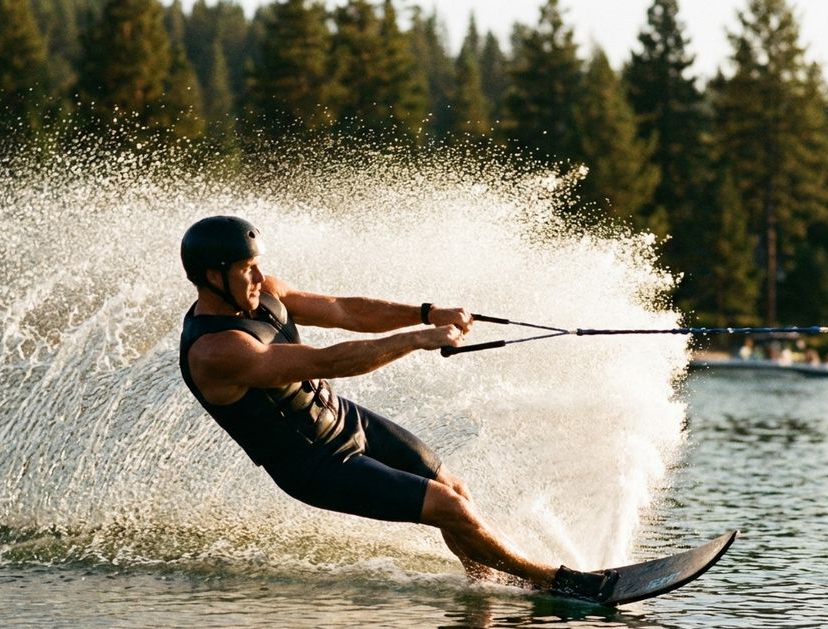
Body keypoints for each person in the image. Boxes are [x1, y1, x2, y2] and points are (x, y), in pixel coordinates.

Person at [178, 215, 613, 599]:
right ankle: (557, 584)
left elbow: (343, 310)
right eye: (246, 269)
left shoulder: (265, 293)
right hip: (315, 465)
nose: (259, 277)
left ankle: (484, 586)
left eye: (258, 265)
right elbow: (324, 361)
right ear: (213, 277)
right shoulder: (216, 351)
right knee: (450, 508)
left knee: (454, 489)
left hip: (344, 419)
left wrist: (426, 313)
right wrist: (416, 340)